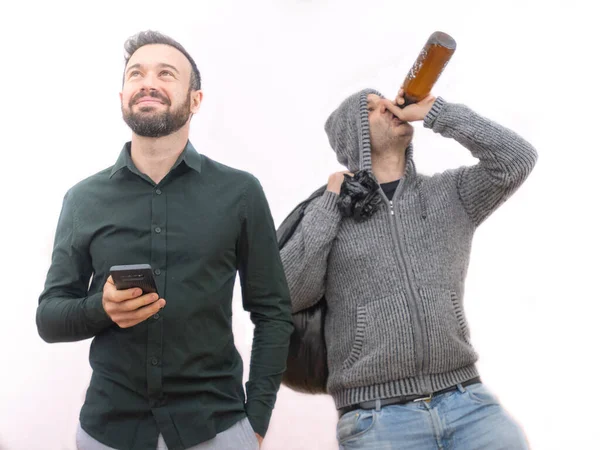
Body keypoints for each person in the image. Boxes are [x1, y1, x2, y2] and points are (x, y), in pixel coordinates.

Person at [36, 30, 293, 450]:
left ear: (195, 100)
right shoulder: (83, 198)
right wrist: (100, 308)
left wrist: (256, 423)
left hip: (217, 429)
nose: (147, 81)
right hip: (108, 432)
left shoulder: (240, 192)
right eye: (136, 73)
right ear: (122, 96)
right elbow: (49, 316)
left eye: (166, 73)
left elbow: (273, 312)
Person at [279, 86, 537, 449]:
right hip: (378, 417)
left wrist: (439, 113)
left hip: (468, 402)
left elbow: (516, 158)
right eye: (371, 108)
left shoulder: (451, 194)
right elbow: (284, 293)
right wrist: (330, 202)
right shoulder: (330, 213)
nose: (389, 106)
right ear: (353, 136)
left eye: (385, 100)